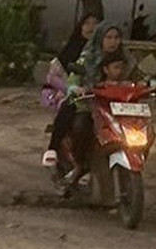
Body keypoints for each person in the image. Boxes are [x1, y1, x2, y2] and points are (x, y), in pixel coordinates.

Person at [42, 21, 129, 168]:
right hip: (89, 105)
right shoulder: (87, 58)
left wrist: (152, 85)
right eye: (108, 37)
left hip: (119, 107)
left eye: (116, 37)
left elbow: (142, 75)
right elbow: (74, 78)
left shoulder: (127, 59)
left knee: (145, 131)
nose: (113, 42)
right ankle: (79, 162)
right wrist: (75, 87)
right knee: (81, 126)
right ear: (100, 38)